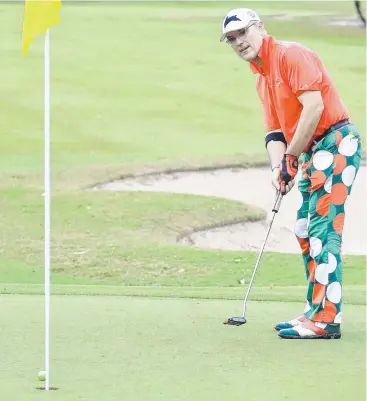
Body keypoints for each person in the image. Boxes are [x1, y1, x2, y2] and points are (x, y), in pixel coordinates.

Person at [220, 8, 362, 339]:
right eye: (231, 39)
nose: (239, 42)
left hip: (337, 143)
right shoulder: (261, 77)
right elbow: (274, 134)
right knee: (303, 228)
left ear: (260, 28)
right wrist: (279, 167)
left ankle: (327, 318)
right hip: (313, 152)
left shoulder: (291, 55)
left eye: (243, 32)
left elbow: (314, 108)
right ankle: (315, 310)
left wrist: (291, 157)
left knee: (323, 231)